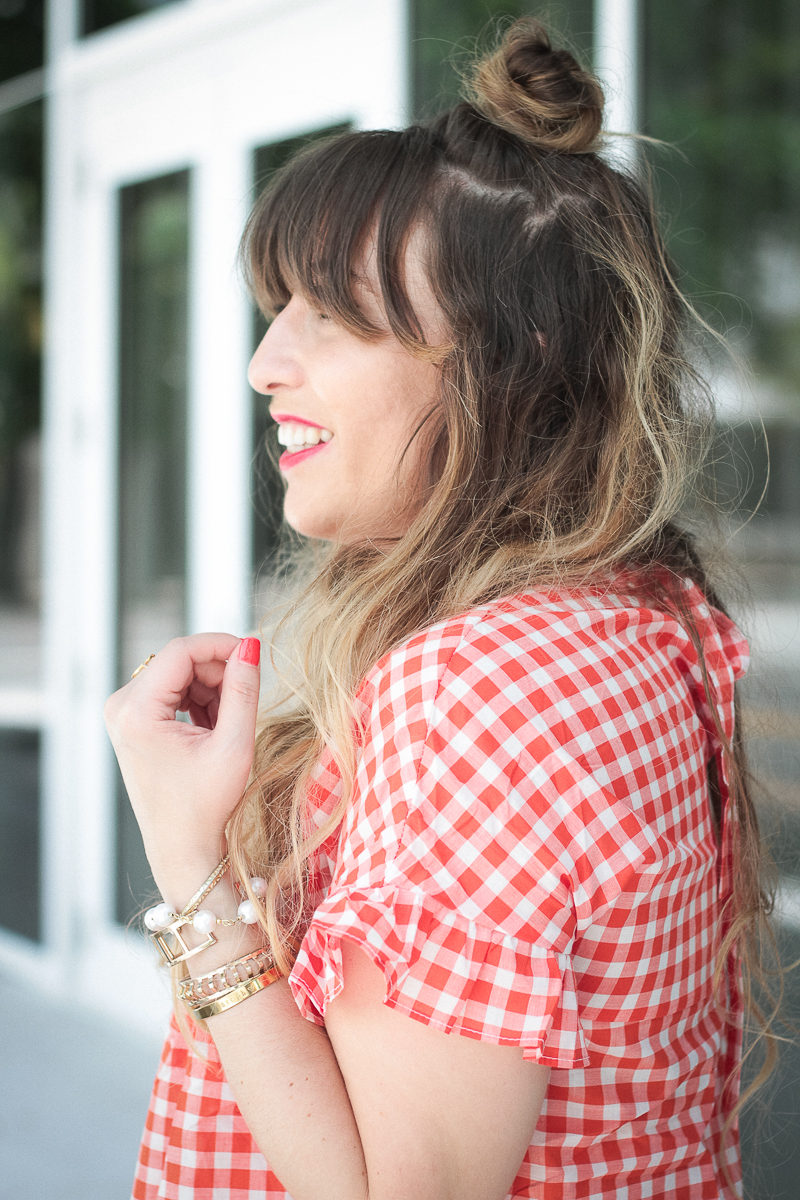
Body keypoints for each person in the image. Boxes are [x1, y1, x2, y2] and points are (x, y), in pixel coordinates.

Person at [104, 17, 774, 1200]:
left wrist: (193, 869)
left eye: (331, 313)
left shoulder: (481, 689)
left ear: (505, 355)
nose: (266, 361)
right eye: (278, 306)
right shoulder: (633, 608)